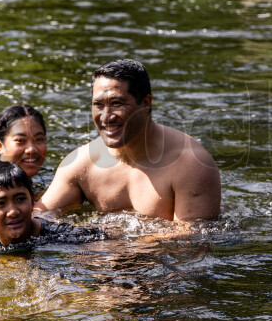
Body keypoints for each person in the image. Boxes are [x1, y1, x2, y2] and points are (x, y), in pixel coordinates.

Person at [35, 59, 220, 221]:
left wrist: (112, 244)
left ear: (146, 103)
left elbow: (191, 245)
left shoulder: (190, 163)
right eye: (98, 105)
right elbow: (36, 220)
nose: (106, 117)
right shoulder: (81, 164)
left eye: (116, 104)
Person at [0, 160, 105, 253]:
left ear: (33, 201)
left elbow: (105, 238)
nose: (13, 211)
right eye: (1, 203)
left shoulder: (58, 235)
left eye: (21, 199)